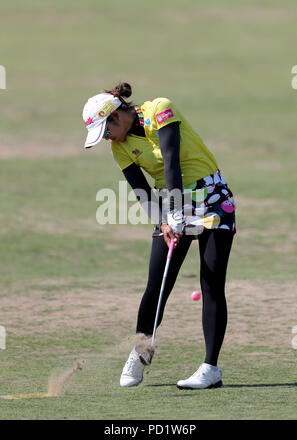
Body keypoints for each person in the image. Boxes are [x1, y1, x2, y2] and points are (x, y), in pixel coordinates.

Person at [82, 83, 236, 389]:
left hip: (213, 199)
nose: (107, 139)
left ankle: (210, 368)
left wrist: (177, 212)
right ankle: (140, 352)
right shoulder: (119, 147)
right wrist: (164, 221)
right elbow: (140, 189)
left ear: (116, 116)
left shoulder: (159, 110)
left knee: (211, 283)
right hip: (171, 206)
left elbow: (170, 158)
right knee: (157, 286)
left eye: (106, 131)